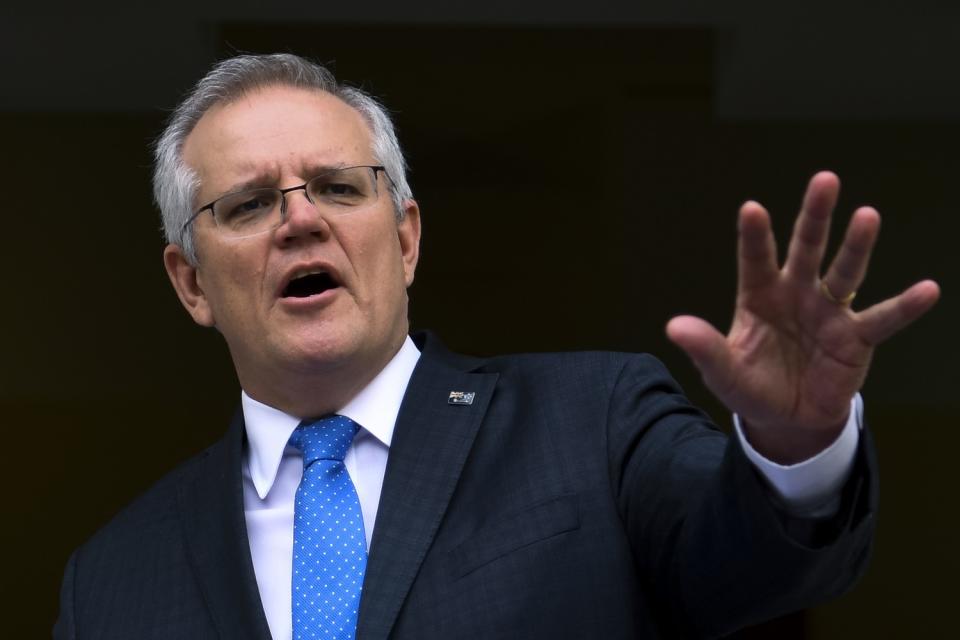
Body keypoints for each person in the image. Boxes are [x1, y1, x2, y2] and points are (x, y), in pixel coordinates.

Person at [53, 53, 940, 640]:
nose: (300, 219)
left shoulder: (591, 422)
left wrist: (796, 445)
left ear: (405, 241)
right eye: (248, 204)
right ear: (192, 283)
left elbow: (744, 564)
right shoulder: (109, 582)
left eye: (337, 186)